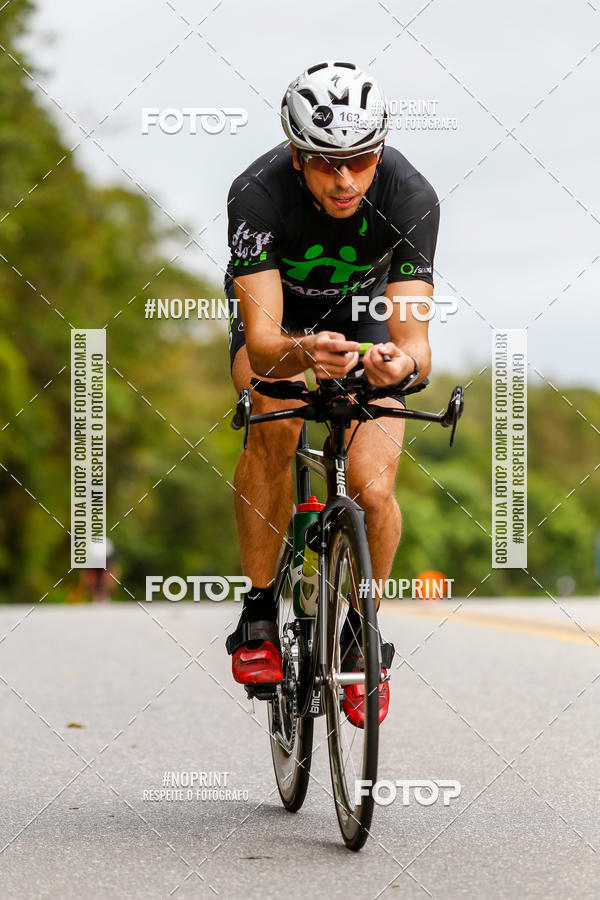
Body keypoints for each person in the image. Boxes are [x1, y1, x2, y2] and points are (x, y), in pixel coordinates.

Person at [224, 61, 439, 727]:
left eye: (361, 159)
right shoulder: (256, 194)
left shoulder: (410, 195)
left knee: (374, 490)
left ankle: (359, 628)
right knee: (277, 420)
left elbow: (416, 343)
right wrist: (301, 350)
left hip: (365, 319)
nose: (345, 180)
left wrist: (395, 364)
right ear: (296, 154)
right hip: (281, 324)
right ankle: (260, 610)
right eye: (324, 163)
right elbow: (261, 342)